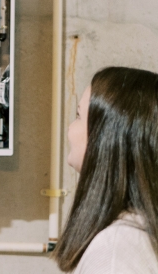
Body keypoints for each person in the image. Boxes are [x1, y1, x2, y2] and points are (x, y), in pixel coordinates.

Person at [53, 67, 158, 273]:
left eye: (78, 116)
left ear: (107, 136)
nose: (69, 128)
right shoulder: (135, 233)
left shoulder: (115, 249)